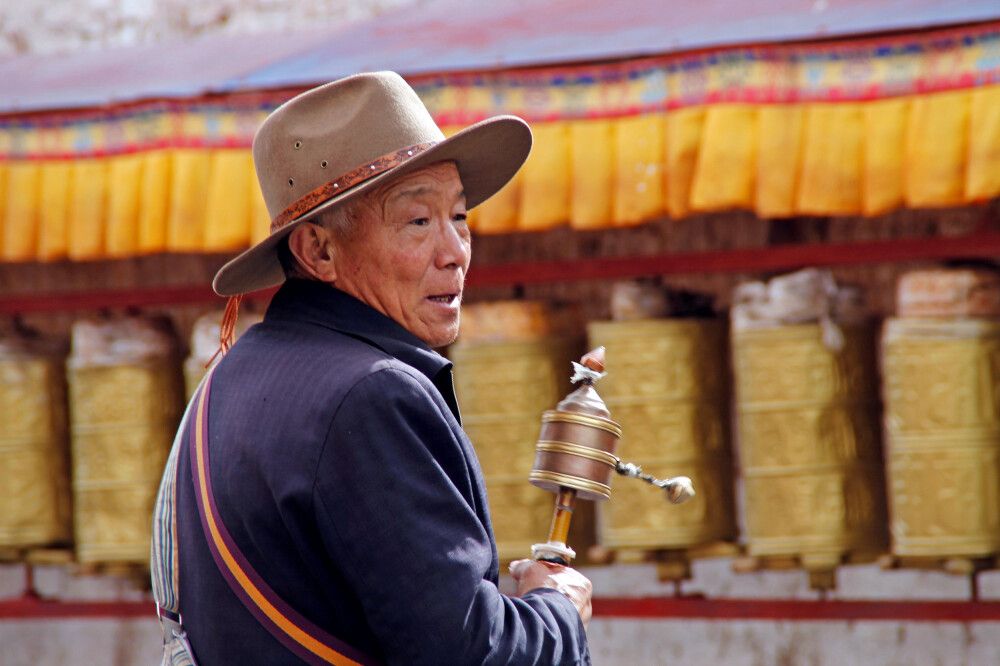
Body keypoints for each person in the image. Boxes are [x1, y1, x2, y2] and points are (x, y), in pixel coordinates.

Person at [152, 71, 593, 665]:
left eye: (459, 217)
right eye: (418, 221)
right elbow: (468, 653)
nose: (455, 250)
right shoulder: (373, 395)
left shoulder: (230, 377)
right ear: (320, 251)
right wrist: (557, 610)